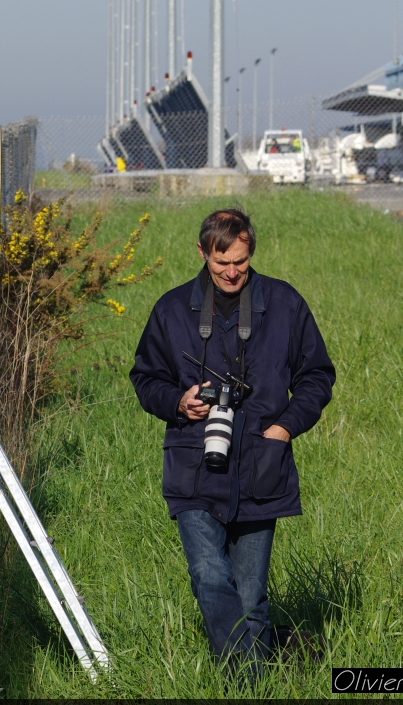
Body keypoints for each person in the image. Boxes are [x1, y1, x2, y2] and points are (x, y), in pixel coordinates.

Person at [129, 208, 335, 680]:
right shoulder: (172, 309)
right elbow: (145, 379)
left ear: (251, 253)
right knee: (209, 577)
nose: (232, 272)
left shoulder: (283, 304)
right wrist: (179, 402)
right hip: (194, 466)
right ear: (202, 253)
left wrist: (283, 428)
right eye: (222, 262)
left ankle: (258, 678)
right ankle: (252, 681)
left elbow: (317, 376)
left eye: (241, 261)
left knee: (250, 596)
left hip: (263, 466)